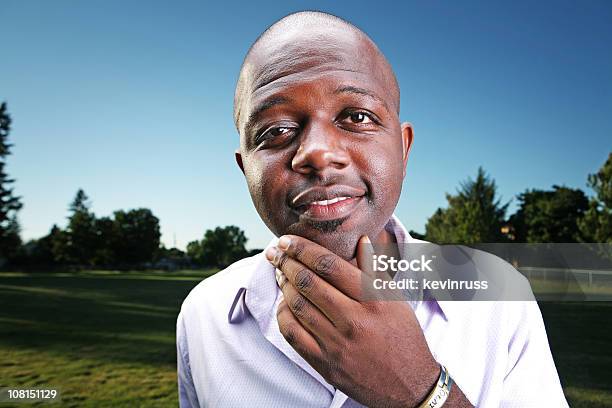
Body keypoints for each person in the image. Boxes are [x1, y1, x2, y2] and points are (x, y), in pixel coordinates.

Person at [177, 11, 568, 407]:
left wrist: (421, 391)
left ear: (403, 148)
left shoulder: (500, 296)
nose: (318, 153)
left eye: (356, 116)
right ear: (247, 168)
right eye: (276, 130)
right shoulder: (202, 316)